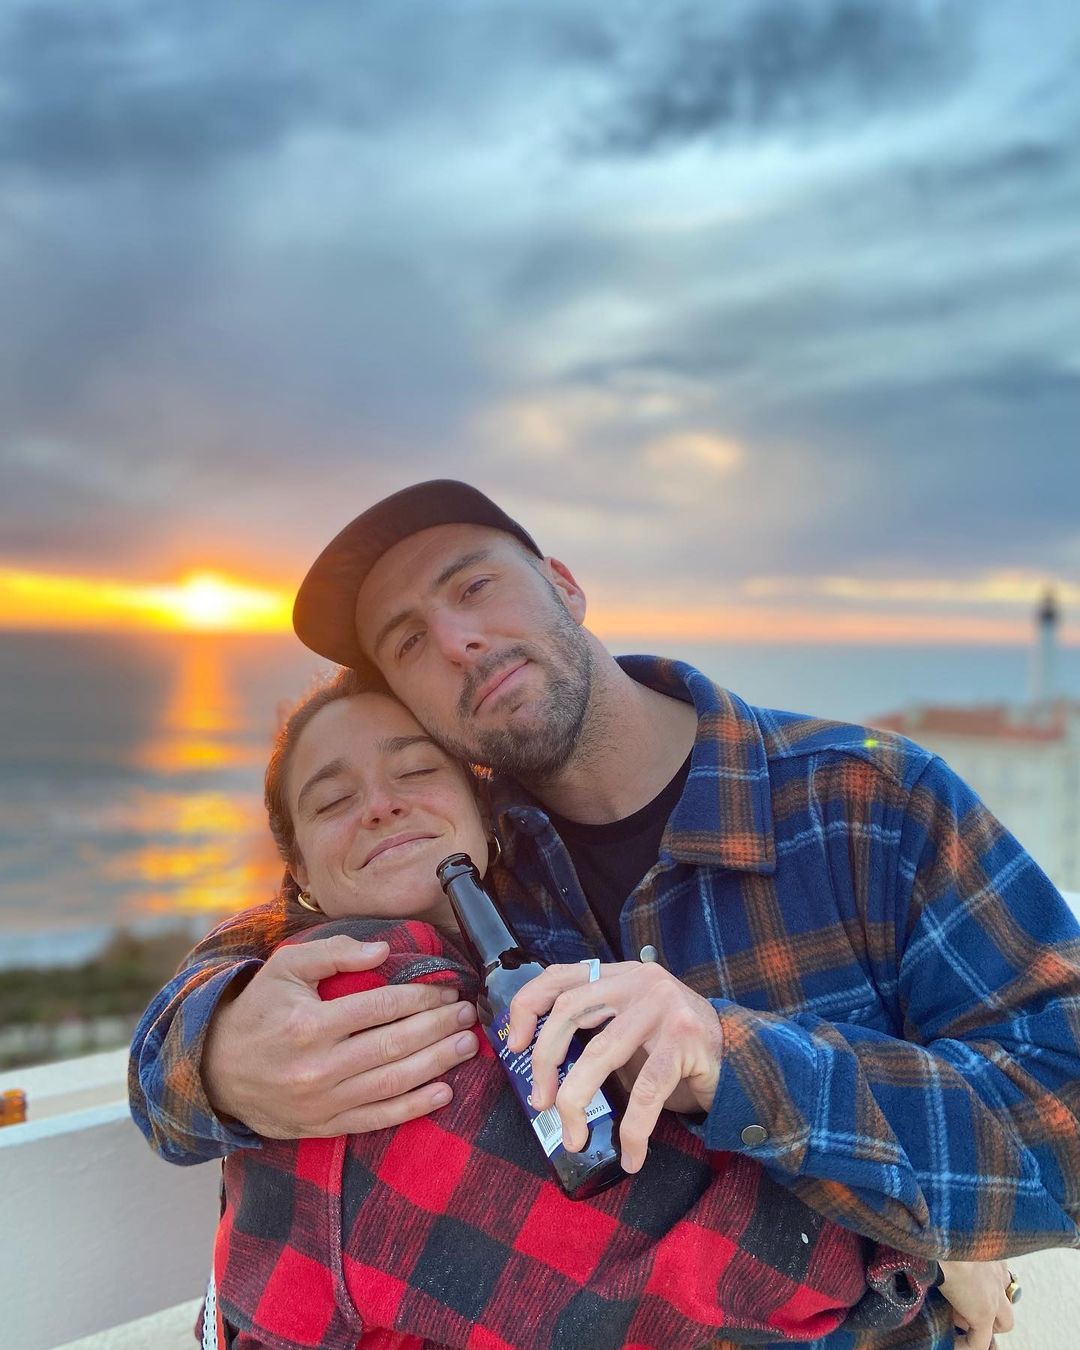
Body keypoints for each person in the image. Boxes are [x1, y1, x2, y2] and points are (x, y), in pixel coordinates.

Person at [131, 480, 1080, 1348]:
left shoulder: (869, 806)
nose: (456, 640)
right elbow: (266, 943)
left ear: (564, 586)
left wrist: (733, 1060)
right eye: (408, 642)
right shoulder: (462, 853)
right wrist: (212, 1058)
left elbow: (1065, 1119)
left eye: (474, 586)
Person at [206, 669, 942, 1348]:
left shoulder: (509, 954)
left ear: (485, 814)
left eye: (417, 770)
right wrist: (903, 1246)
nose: (380, 805)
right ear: (299, 873)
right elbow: (647, 1274)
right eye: (333, 800)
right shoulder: (361, 1001)